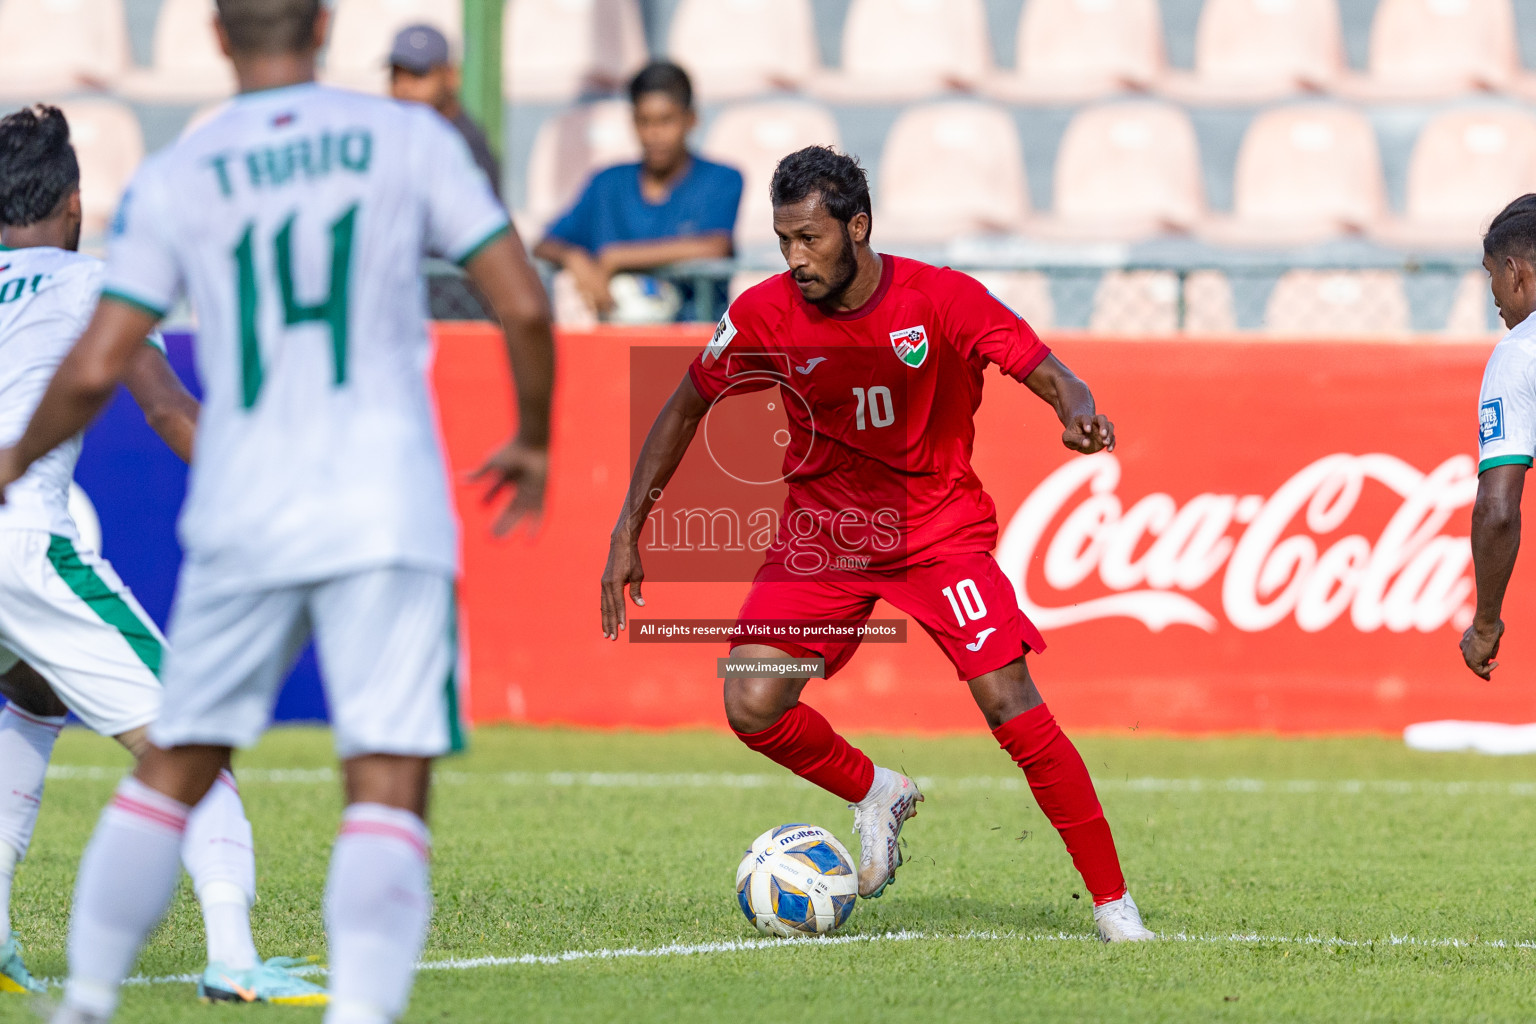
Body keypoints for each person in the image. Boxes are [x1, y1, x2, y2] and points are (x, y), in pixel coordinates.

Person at [0, 1, 556, 1021]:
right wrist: (532, 434)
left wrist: (14, 458)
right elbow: (522, 300)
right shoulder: (409, 138)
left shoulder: (182, 174)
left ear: (215, 35)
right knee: (384, 775)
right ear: (329, 24)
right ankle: (303, 986)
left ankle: (81, 999)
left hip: (243, 510)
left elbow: (90, 371)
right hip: (379, 492)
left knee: (162, 755)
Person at [600, 146, 1154, 943]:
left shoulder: (942, 298)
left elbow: (1049, 370)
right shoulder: (762, 314)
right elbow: (685, 405)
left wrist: (1078, 411)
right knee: (751, 704)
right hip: (823, 531)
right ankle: (877, 791)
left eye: (810, 240)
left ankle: (1112, 905)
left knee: (1009, 703)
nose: (794, 259)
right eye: (782, 239)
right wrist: (630, 528)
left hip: (935, 531)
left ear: (858, 227)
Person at [0, 104, 323, 1005]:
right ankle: (231, 956)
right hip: (19, 535)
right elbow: (170, 410)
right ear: (74, 203)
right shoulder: (91, 283)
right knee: (193, 743)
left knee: (29, 694)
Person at [534, 60, 742, 323]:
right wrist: (575, 259)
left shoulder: (722, 179)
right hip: (617, 340)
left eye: (666, 121)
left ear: (691, 120)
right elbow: (545, 245)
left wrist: (617, 258)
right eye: (644, 121)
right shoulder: (606, 184)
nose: (654, 134)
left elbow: (716, 247)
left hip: (694, 345)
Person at [1463, 194, 1536, 680]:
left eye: (1491, 275)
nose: (1492, 295)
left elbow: (1497, 510)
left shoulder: (1521, 351)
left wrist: (1486, 622)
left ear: (1513, 271)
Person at [387, 23, 500, 199]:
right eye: (396, 75)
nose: (404, 88)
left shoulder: (464, 145)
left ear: (450, 76)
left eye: (418, 74)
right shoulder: (401, 136)